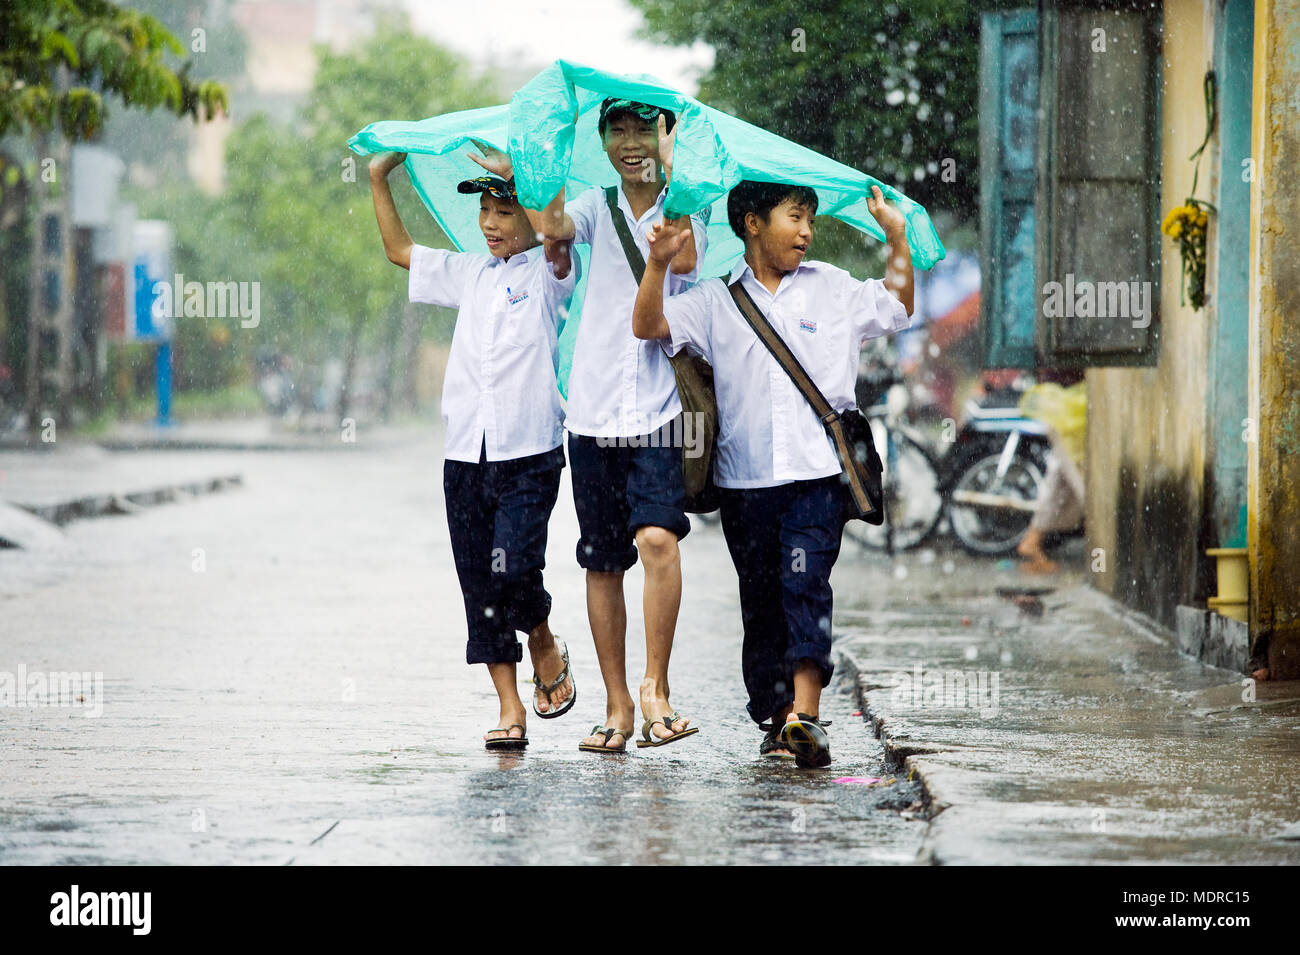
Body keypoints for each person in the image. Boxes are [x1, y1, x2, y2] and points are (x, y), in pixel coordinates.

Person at [630, 180, 914, 767]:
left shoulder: (832, 287)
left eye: (810, 219)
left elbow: (898, 307)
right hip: (744, 483)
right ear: (753, 223)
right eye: (795, 218)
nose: (807, 232)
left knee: (804, 587)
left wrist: (896, 236)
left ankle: (805, 716)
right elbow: (649, 325)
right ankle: (774, 714)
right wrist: (657, 264)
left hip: (818, 478)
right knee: (761, 603)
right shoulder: (713, 300)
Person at [505, 98, 709, 754]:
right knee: (601, 560)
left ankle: (656, 687)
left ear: (661, 134)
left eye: (640, 129)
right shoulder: (596, 205)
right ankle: (617, 703)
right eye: (615, 130)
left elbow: (682, 261)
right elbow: (557, 230)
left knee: (657, 540)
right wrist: (542, 164)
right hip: (592, 408)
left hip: (657, 409)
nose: (629, 142)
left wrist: (674, 178)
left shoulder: (687, 206)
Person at [368, 151, 576, 751]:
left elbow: (556, 228)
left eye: (503, 210)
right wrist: (382, 178)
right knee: (479, 587)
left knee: (512, 567)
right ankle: (510, 707)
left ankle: (541, 637)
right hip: (465, 453)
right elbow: (399, 251)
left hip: (530, 449)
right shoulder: (470, 273)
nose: (489, 221)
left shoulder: (550, 271)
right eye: (484, 209)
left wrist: (523, 177)